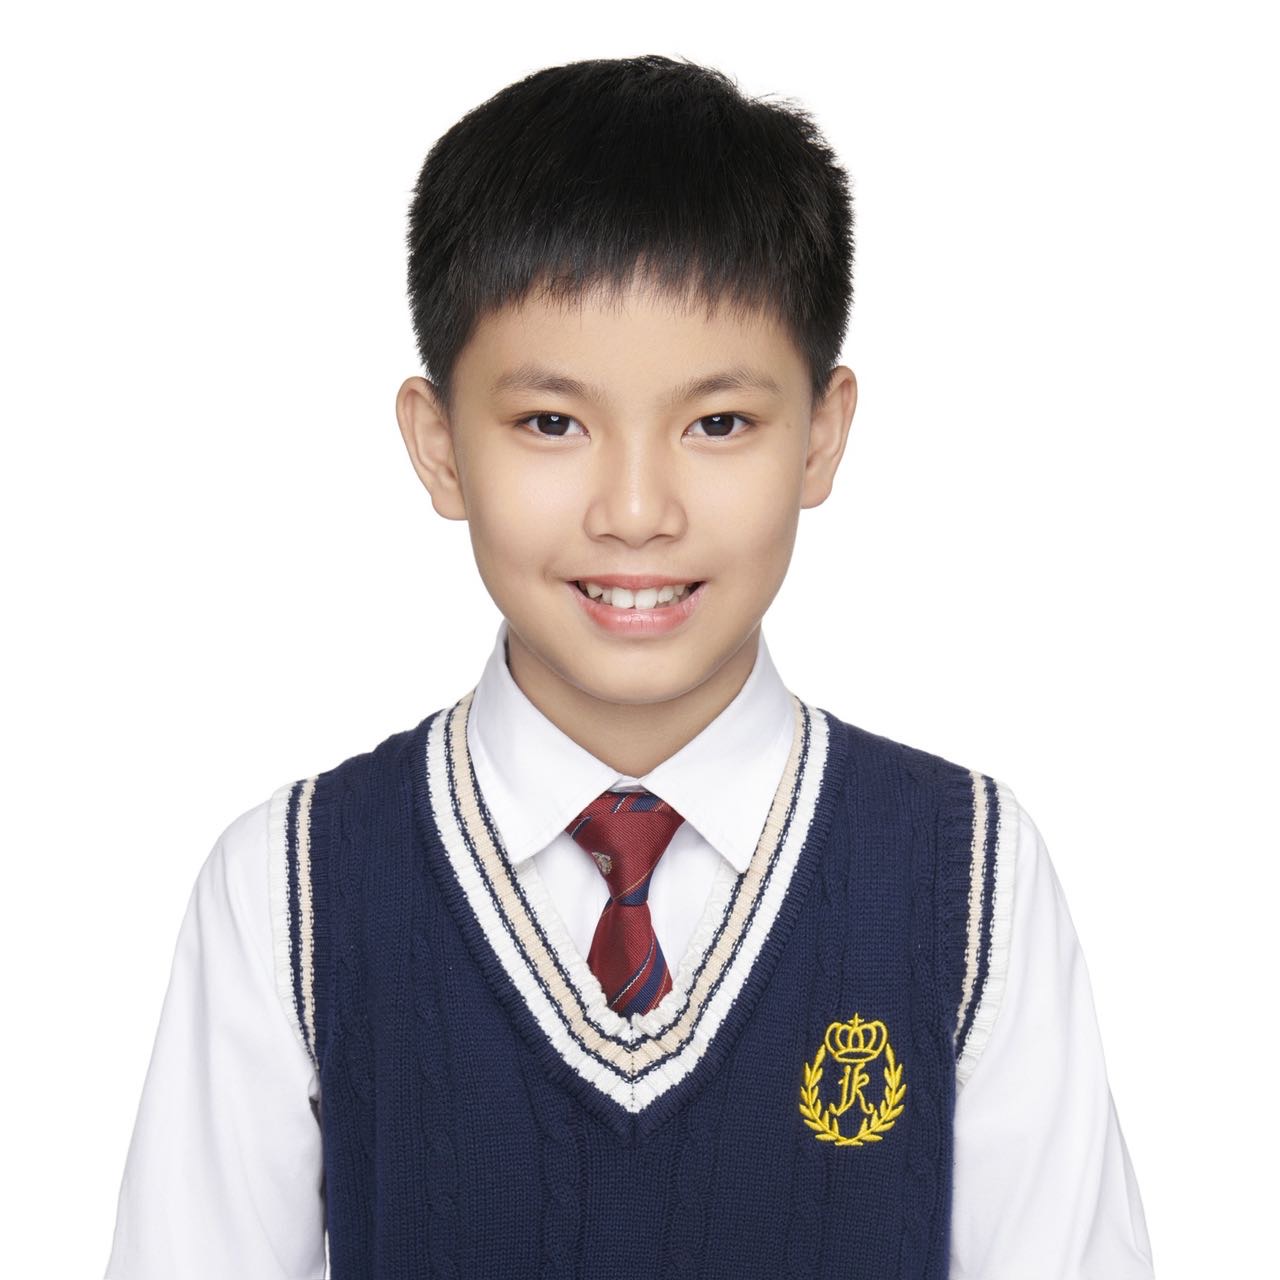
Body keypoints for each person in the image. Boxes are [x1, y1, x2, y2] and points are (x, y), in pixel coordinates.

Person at [103, 54, 1155, 1279]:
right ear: (438, 446)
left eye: (717, 423)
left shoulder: (964, 876)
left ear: (820, 435)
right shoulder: (290, 890)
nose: (638, 510)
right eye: (552, 422)